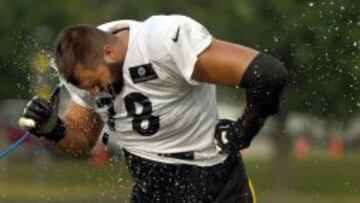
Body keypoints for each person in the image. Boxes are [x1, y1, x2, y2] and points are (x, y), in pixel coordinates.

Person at [20, 14, 288, 202]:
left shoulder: (160, 42)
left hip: (212, 183)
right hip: (151, 187)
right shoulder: (82, 66)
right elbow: (81, 143)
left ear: (110, 53)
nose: (93, 94)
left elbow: (268, 74)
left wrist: (244, 130)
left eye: (96, 84)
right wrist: (53, 129)